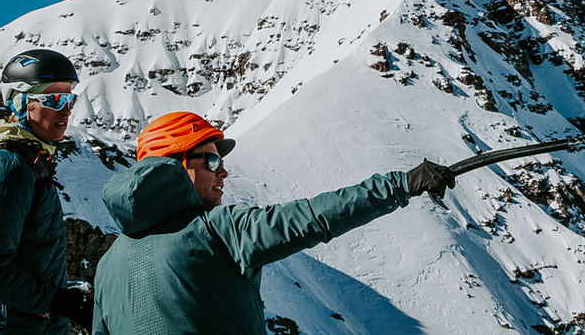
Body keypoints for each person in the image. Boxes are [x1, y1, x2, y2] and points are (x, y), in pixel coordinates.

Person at [92, 111, 455, 335]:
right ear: (175, 165)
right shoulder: (216, 229)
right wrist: (401, 184)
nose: (224, 171)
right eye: (213, 162)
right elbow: (311, 218)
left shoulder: (108, 266)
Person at [0, 49, 93, 334]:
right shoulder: (6, 168)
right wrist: (65, 303)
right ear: (20, 103)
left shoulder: (28, 163)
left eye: (70, 99)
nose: (66, 110)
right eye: (53, 100)